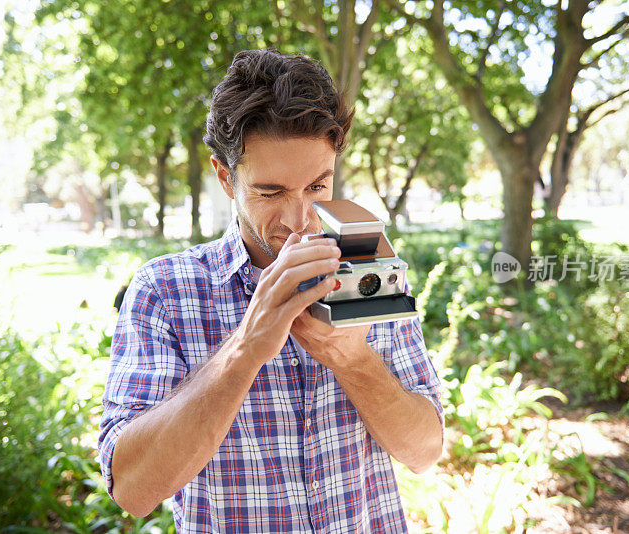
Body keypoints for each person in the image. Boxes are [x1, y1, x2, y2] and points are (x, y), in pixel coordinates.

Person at [99, 48, 444, 533]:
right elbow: (132, 491)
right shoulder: (165, 291)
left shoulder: (369, 267)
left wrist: (354, 360)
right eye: (270, 192)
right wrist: (244, 349)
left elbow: (425, 451)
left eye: (317, 186)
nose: (299, 218)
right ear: (225, 177)